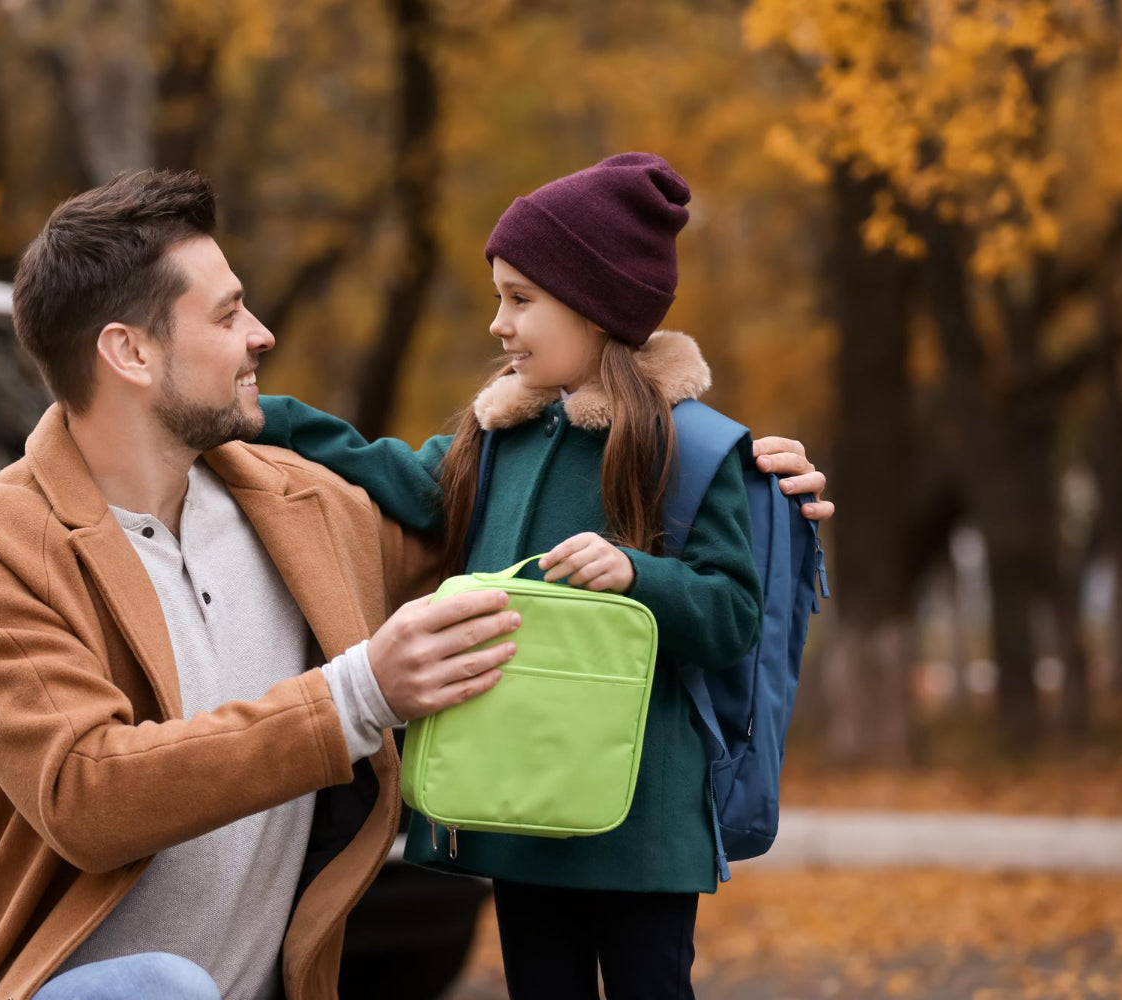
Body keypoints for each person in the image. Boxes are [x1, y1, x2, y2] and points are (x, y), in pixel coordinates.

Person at [0, 169, 526, 1000]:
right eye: (227, 313)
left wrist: (728, 480)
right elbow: (88, 796)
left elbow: (505, 543)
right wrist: (353, 697)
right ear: (130, 351)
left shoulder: (306, 508)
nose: (261, 334)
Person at [255, 153, 830, 998]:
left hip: (644, 815)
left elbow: (732, 615)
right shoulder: (497, 442)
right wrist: (263, 418)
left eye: (521, 299)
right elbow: (395, 473)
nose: (499, 323)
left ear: (597, 309)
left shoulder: (694, 448)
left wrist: (638, 575)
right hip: (519, 795)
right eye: (499, 297)